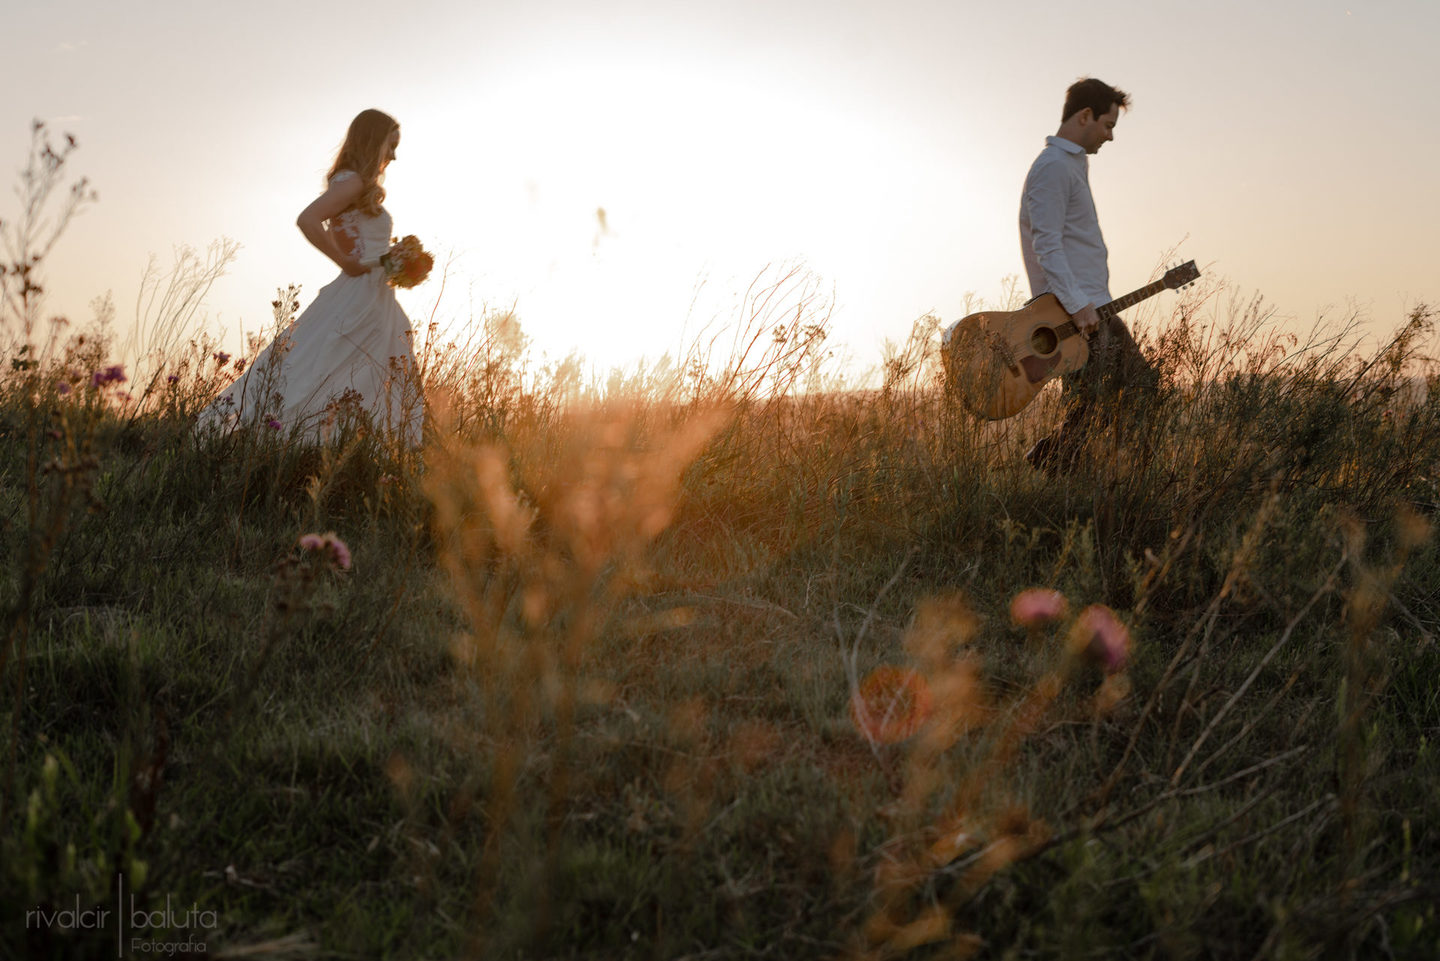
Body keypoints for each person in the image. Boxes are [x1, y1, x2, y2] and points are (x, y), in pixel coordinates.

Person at [201, 108, 423, 447]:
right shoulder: (354, 182)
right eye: (390, 145)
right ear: (373, 142)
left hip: (376, 292)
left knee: (365, 368)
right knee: (334, 367)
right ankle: (331, 441)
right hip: (360, 291)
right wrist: (345, 260)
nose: (393, 155)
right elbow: (308, 218)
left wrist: (396, 261)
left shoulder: (355, 183)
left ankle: (358, 444)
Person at [1019, 78, 1155, 474]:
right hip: (1074, 314)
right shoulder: (1053, 167)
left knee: (1138, 388)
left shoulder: (1071, 164)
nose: (1110, 137)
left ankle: (1106, 476)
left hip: (1094, 307)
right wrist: (1077, 306)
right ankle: (1069, 478)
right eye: (1107, 126)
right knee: (1088, 406)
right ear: (1084, 116)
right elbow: (1047, 245)